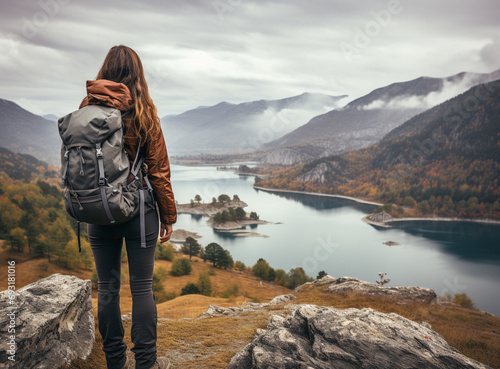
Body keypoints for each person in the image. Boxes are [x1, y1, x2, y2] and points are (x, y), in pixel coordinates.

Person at [80, 45, 177, 369]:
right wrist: (169, 217)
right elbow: (159, 171)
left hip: (98, 209)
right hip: (139, 214)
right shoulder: (144, 110)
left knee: (107, 288)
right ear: (138, 74)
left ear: (105, 70)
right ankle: (146, 364)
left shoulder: (86, 109)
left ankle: (115, 363)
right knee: (142, 289)